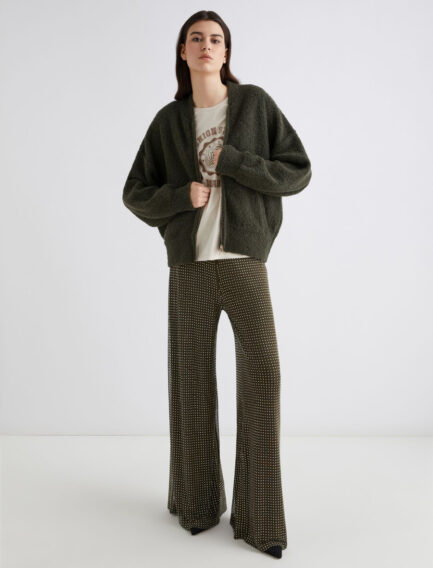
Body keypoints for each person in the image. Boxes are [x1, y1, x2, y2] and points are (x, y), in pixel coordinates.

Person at [122, 10, 312, 559]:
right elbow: (135, 192)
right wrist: (181, 197)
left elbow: (297, 170)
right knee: (191, 385)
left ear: (226, 53)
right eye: (196, 39)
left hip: (243, 261)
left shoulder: (254, 104)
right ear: (183, 52)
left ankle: (259, 517)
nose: (206, 46)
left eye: (215, 39)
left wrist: (233, 161)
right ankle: (198, 504)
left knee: (264, 374)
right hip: (190, 267)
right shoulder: (168, 121)